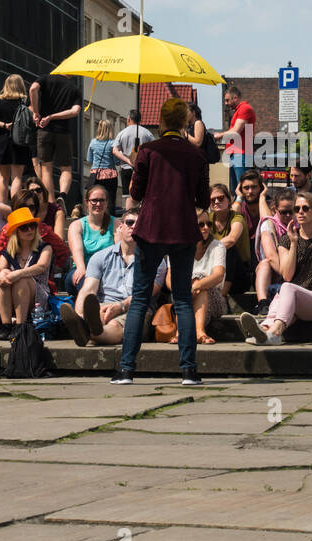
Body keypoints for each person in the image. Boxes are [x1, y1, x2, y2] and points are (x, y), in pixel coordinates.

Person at [116, 97, 211, 384]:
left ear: (160, 121)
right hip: (183, 229)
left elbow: (136, 191)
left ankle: (126, 370)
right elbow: (203, 199)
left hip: (152, 229)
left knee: (140, 299)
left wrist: (137, 162)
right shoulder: (196, 156)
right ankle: (188, 370)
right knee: (182, 298)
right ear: (184, 122)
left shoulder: (148, 150)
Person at [238, 190, 312, 346]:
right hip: (291, 298)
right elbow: (287, 275)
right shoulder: (287, 239)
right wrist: (294, 243)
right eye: (296, 209)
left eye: (305, 208)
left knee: (286, 289)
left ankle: (275, 332)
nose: (300, 212)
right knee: (283, 294)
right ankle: (265, 330)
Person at [60, 211, 166, 347]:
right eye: (129, 223)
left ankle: (88, 333)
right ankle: (85, 325)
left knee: (116, 324)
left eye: (139, 224)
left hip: (137, 307)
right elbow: (88, 289)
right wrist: (79, 314)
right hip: (104, 305)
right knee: (97, 313)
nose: (134, 227)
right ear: (120, 227)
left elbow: (145, 293)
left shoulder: (156, 261)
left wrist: (121, 307)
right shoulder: (100, 257)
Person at [0, 207, 54, 340]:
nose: (30, 230)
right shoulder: (10, 251)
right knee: (3, 274)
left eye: (32, 226)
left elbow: (41, 266)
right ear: (15, 232)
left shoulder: (44, 247)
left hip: (38, 296)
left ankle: (21, 326)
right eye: (24, 227)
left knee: (20, 279)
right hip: (13, 295)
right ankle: (6, 325)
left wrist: (18, 273)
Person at [169, 209, 227, 345]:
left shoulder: (217, 246)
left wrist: (196, 285)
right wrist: (184, 289)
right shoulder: (177, 248)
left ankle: (188, 331)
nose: (206, 228)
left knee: (199, 277)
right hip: (186, 297)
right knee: (189, 282)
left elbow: (218, 276)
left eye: (209, 224)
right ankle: (197, 332)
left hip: (214, 301)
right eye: (201, 224)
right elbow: (169, 278)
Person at [29, 71, 82, 210]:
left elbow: (33, 89)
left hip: (44, 130)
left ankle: (51, 203)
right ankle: (62, 196)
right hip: (63, 132)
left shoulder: (45, 78)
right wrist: (53, 116)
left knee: (46, 169)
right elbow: (75, 111)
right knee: (66, 169)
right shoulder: (74, 89)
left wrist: (36, 112)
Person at [0, 74, 32, 204]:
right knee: (17, 178)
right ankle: (15, 206)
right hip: (19, 143)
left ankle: (2, 206)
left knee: (2, 178)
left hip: (1, 143)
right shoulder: (24, 103)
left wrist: (4, 125)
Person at [65, 184, 115, 295]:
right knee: (86, 282)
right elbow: (77, 252)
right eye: (94, 200)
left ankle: (85, 311)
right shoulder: (77, 225)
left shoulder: (116, 224)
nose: (98, 204)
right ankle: (90, 309)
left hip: (109, 272)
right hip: (83, 269)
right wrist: (82, 268)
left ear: (107, 203)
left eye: (102, 200)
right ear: (87, 202)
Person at [253, 187, 295, 314]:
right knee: (265, 263)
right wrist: (287, 274)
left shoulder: (300, 223)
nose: (288, 215)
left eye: (292, 211)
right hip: (276, 273)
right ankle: (263, 303)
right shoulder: (269, 225)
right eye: (284, 212)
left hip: (294, 271)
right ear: (276, 210)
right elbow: (271, 256)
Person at [208, 182, 252, 298]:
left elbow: (231, 239)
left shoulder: (237, 217)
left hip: (239, 276)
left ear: (229, 199)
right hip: (214, 270)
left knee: (228, 249)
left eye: (221, 198)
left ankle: (220, 297)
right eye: (213, 200)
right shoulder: (207, 219)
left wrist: (207, 249)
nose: (216, 201)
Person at [112, 111, 154, 212]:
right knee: (144, 195)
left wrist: (127, 160)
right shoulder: (147, 133)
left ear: (129, 119)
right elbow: (154, 150)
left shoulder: (122, 133)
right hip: (143, 168)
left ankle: (129, 220)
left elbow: (114, 150)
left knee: (129, 197)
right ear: (140, 120)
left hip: (127, 168)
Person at [217, 85, 255, 193]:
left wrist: (219, 135)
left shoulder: (245, 108)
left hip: (241, 154)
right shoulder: (239, 110)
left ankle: (242, 210)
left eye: (227, 100)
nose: (226, 103)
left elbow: (236, 131)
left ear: (235, 98)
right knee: (236, 190)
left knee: (242, 189)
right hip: (236, 154)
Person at [86, 118, 119, 204]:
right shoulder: (113, 143)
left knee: (95, 198)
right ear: (110, 129)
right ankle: (109, 216)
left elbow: (89, 160)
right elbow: (117, 161)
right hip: (110, 174)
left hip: (96, 174)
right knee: (110, 199)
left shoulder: (93, 142)